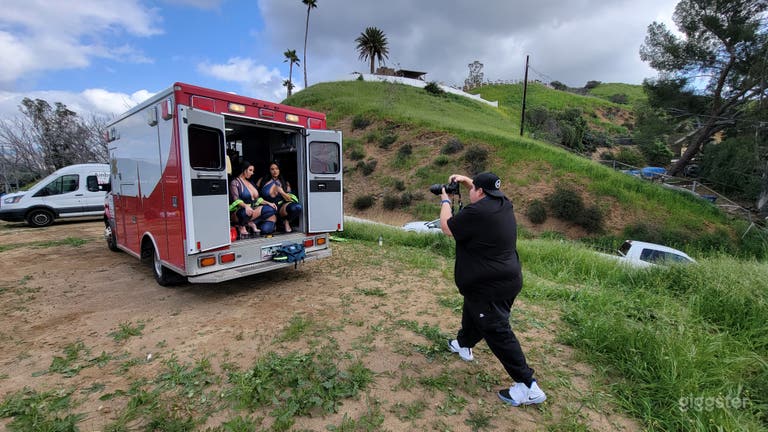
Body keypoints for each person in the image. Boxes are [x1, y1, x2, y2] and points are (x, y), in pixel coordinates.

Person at [439, 172, 546, 406]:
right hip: (506, 280)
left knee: (496, 329)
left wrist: (445, 200)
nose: (470, 191)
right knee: (474, 310)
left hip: (489, 285)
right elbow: (488, 191)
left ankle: (528, 386)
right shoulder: (503, 204)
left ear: (480, 192)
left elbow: (447, 227)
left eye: (472, 188)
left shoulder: (476, 212)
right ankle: (463, 344)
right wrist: (468, 181)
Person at [230, 160, 277, 238]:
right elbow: (236, 200)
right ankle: (241, 225)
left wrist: (269, 203)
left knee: (272, 209)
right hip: (239, 212)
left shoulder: (250, 182)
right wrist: (245, 206)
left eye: (253, 171)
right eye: (250, 170)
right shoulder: (235, 182)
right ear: (243, 169)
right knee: (245, 212)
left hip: (251, 211)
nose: (252, 173)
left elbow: (257, 199)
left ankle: (250, 222)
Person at [256, 162, 302, 233]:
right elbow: (255, 197)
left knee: (297, 207)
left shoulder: (285, 182)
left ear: (279, 170)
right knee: (265, 230)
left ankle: (286, 221)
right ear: (269, 170)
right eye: (272, 169)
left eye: (277, 169)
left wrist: (281, 192)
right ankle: (273, 222)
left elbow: (289, 199)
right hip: (268, 208)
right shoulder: (262, 180)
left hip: (281, 208)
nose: (275, 171)